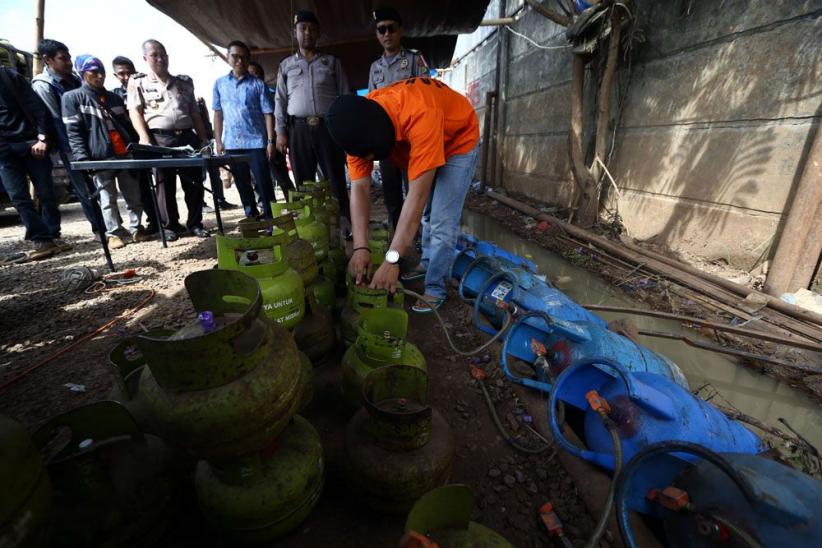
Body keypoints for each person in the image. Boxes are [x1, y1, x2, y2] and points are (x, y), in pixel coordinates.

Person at [326, 77, 479, 313]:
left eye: (372, 156)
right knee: (427, 214)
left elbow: (415, 198)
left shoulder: (419, 113)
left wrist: (392, 259)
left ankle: (435, 288)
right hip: (419, 139)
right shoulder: (356, 126)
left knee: (441, 219)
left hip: (458, 141)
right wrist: (360, 247)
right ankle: (427, 261)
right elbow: (359, 189)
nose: (369, 161)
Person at [127, 39, 210, 238]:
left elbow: (195, 113)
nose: (160, 58)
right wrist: (144, 138)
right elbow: (135, 112)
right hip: (160, 139)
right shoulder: (139, 83)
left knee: (194, 182)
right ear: (145, 58)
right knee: (165, 184)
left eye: (163, 54)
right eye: (155, 55)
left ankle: (195, 223)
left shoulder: (183, 82)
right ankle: (170, 226)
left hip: (187, 137)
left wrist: (204, 139)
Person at [63, 55, 147, 249]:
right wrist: (83, 159)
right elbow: (73, 132)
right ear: (83, 73)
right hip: (99, 156)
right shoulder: (72, 98)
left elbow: (127, 125)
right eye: (94, 72)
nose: (99, 76)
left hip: (124, 154)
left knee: (133, 195)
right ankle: (114, 233)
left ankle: (136, 228)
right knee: (107, 198)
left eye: (102, 72)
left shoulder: (114, 98)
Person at [274, 10, 351, 223]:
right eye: (303, 28)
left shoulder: (331, 63)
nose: (307, 33)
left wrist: (345, 131)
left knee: (335, 179)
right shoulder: (286, 65)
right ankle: (312, 226)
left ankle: (343, 224)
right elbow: (279, 101)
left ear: (318, 34)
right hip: (297, 130)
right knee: (303, 182)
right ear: (295, 33)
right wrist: (280, 132)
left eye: (312, 29)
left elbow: (345, 97)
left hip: (328, 129)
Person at [368, 6, 429, 231]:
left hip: (411, 140)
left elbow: (427, 94)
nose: (386, 34)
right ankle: (396, 235)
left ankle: (418, 235)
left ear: (400, 30)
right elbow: (373, 106)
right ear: (377, 34)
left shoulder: (414, 60)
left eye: (391, 28)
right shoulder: (375, 68)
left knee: (415, 189)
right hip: (387, 142)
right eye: (381, 30)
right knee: (391, 194)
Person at [31, 38, 99, 234]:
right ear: (47, 60)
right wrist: (75, 150)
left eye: (69, 57)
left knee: (102, 185)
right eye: (63, 58)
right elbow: (57, 121)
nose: (69, 62)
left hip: (93, 140)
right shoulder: (43, 85)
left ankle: (112, 227)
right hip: (71, 146)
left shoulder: (75, 79)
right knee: (85, 189)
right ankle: (99, 229)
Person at [0, 67, 65, 260]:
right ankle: (41, 239)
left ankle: (52, 234)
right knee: (18, 197)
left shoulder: (8, 76)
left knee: (46, 193)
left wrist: (43, 138)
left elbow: (37, 108)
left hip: (31, 144)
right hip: (4, 151)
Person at [212, 40, 276, 219]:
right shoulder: (219, 84)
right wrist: (218, 141)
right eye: (235, 56)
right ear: (227, 57)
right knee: (242, 184)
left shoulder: (258, 84)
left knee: (264, 183)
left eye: (243, 57)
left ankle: (271, 220)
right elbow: (218, 114)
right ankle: (252, 219)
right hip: (232, 143)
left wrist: (270, 141)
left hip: (256, 142)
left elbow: (268, 114)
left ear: (248, 60)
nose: (239, 60)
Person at [111, 54, 166, 237]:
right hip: (131, 148)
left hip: (151, 143)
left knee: (160, 183)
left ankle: (165, 221)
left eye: (129, 73)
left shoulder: (145, 87)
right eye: (121, 74)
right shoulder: (115, 97)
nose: (126, 77)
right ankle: (153, 221)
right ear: (116, 75)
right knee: (141, 187)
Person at [248, 61, 293, 197]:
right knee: (258, 179)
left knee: (281, 177)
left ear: (262, 77)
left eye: (256, 74)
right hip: (255, 144)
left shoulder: (273, 94)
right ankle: (265, 207)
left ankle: (294, 205)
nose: (253, 78)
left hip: (273, 141)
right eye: (249, 74)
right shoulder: (245, 98)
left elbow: (280, 118)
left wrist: (276, 140)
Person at [197, 96, 237, 210]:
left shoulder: (199, 101)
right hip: (195, 143)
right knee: (200, 174)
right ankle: (201, 203)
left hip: (206, 141)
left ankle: (220, 200)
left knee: (213, 171)